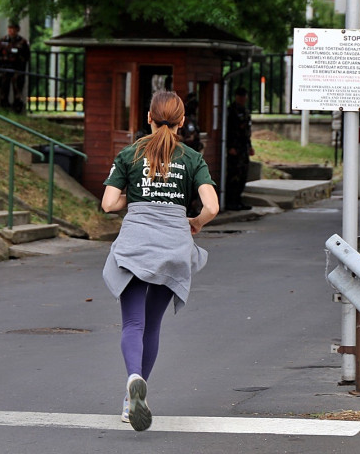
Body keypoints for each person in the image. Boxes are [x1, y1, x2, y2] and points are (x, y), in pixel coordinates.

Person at [101, 91, 219, 432]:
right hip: (173, 246)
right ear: (182, 122)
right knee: (152, 327)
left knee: (132, 325)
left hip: (136, 245)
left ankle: (133, 380)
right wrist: (195, 223)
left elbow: (109, 203)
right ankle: (132, 400)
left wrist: (132, 196)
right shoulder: (193, 158)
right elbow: (211, 207)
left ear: (148, 119)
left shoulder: (129, 154)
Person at [225, 86, 255, 211]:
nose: (243, 99)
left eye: (244, 97)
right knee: (234, 176)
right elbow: (229, 130)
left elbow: (247, 131)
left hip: (243, 148)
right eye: (241, 96)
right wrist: (230, 146)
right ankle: (230, 201)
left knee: (243, 175)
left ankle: (238, 200)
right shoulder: (231, 111)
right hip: (235, 148)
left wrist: (249, 146)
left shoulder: (245, 111)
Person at [0, 20, 30, 113]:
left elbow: (27, 56)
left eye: (13, 29)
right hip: (4, 69)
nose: (11, 31)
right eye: (10, 29)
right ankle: (3, 108)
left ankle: (17, 109)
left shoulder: (22, 42)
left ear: (17, 30)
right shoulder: (2, 41)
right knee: (3, 89)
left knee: (17, 90)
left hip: (17, 70)